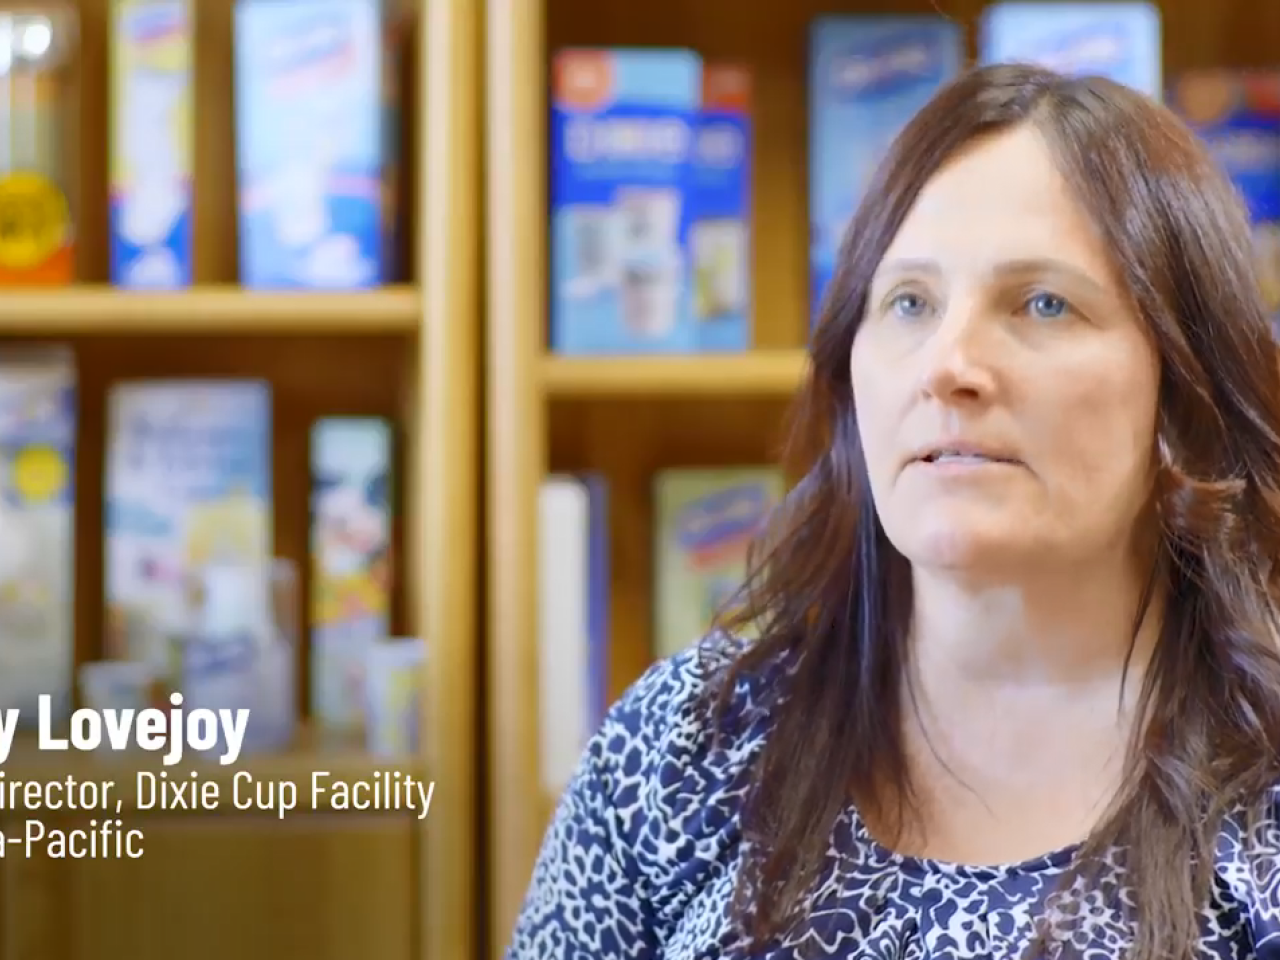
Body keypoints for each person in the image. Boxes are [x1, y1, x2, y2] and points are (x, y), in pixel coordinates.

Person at [505, 63, 1280, 960]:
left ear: (1183, 395)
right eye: (909, 301)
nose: (947, 364)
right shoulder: (684, 745)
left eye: (1043, 303)